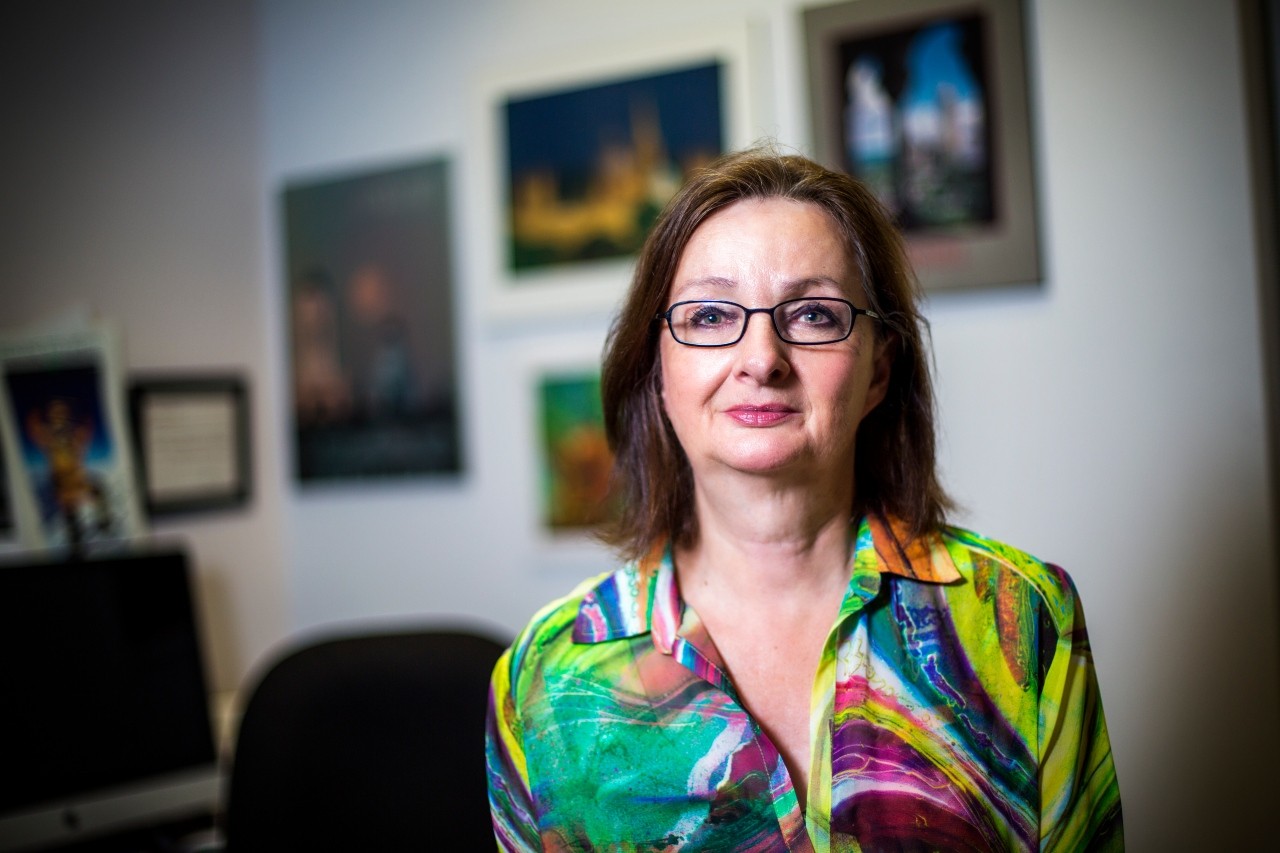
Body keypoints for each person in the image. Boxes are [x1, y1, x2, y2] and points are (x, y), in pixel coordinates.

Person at [485, 148, 1123, 851]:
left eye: (815, 314)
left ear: (879, 369)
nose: (762, 358)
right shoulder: (542, 677)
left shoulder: (1023, 619)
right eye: (708, 315)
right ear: (658, 367)